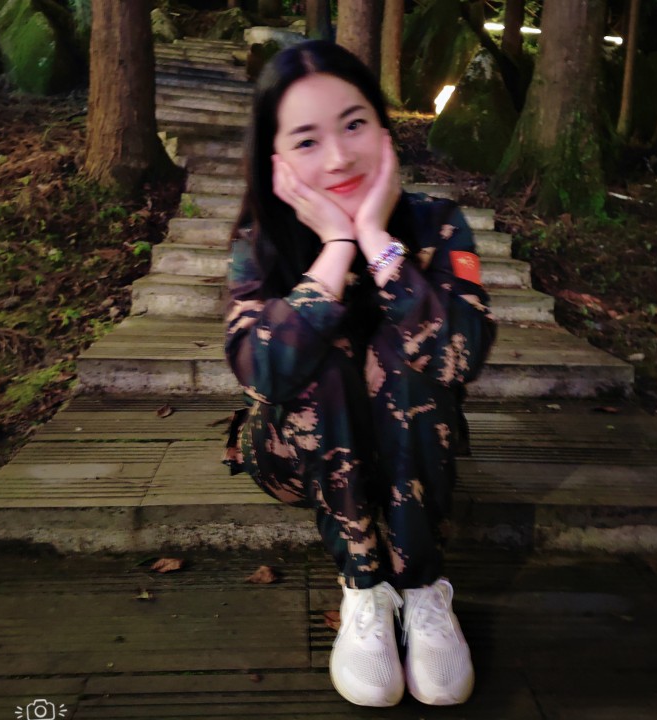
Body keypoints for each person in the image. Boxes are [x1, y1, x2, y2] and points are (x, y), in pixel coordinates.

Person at [223, 40, 495, 708]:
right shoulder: (261, 239)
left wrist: (376, 239)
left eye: (353, 125)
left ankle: (421, 587)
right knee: (314, 355)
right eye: (307, 140)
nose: (339, 157)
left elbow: (460, 356)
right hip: (297, 454)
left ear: (383, 128)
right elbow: (261, 373)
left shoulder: (437, 223)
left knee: (412, 350)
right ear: (276, 159)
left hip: (414, 446)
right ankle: (365, 586)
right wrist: (337, 248)